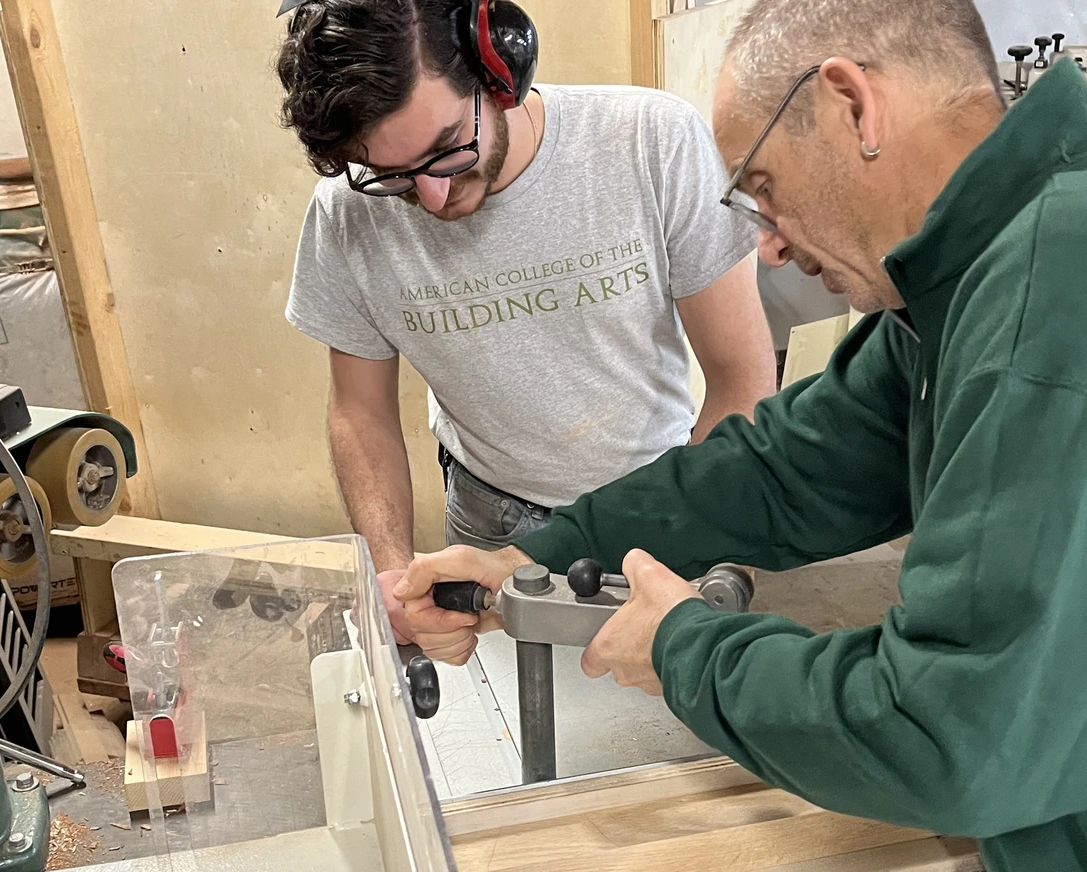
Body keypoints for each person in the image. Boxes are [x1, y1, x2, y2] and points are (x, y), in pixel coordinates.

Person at [394, 1, 1087, 869]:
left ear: (852, 105)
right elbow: (785, 469)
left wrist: (682, 648)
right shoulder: (972, 273)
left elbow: (952, 736)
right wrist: (541, 554)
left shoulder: (1054, 294)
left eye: (766, 189)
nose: (772, 250)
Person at [276, 0, 776, 643]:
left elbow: (743, 379)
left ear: (499, 73)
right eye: (393, 176)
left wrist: (680, 531)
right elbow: (360, 414)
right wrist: (394, 578)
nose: (431, 197)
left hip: (663, 493)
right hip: (491, 515)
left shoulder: (650, 142)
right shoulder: (345, 215)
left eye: (446, 150)